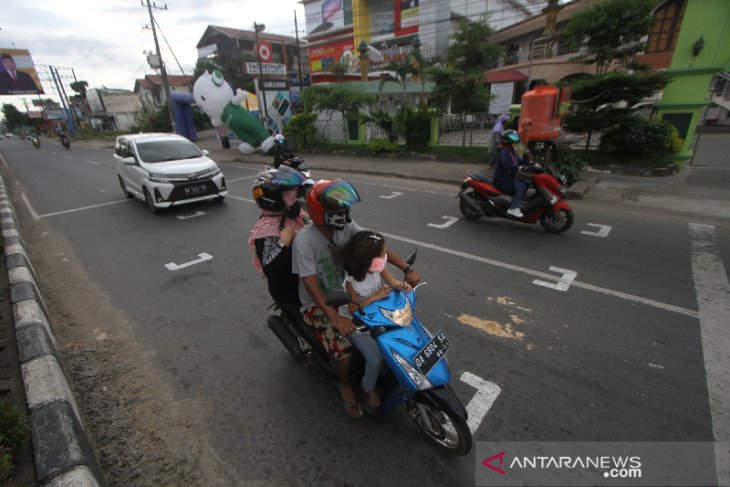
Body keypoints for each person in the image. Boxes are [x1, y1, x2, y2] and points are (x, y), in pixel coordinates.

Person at [292, 178, 420, 418]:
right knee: (343, 350)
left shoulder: (347, 228)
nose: (343, 214)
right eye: (336, 211)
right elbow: (311, 286)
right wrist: (334, 318)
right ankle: (346, 384)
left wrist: (405, 269)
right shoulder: (304, 241)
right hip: (320, 305)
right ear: (321, 213)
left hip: (356, 292)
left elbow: (375, 246)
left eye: (344, 209)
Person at [334, 230, 412, 408]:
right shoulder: (351, 281)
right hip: (357, 324)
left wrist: (403, 285)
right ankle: (367, 387)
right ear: (368, 260)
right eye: (382, 254)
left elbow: (393, 283)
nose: (385, 257)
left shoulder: (378, 268)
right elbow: (353, 309)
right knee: (375, 358)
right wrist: (374, 297)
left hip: (377, 316)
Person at [248, 166, 309, 306]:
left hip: (307, 279)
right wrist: (283, 242)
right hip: (291, 291)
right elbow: (270, 268)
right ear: (274, 199)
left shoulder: (291, 217)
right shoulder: (267, 230)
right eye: (290, 192)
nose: (295, 195)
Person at [493, 129, 529, 219]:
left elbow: (518, 161)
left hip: (508, 177)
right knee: (521, 186)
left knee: (526, 183)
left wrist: (530, 163)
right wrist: (519, 167)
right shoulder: (504, 152)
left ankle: (516, 200)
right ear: (507, 140)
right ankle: (513, 208)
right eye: (513, 138)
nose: (515, 140)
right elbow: (507, 165)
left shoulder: (511, 150)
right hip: (501, 179)